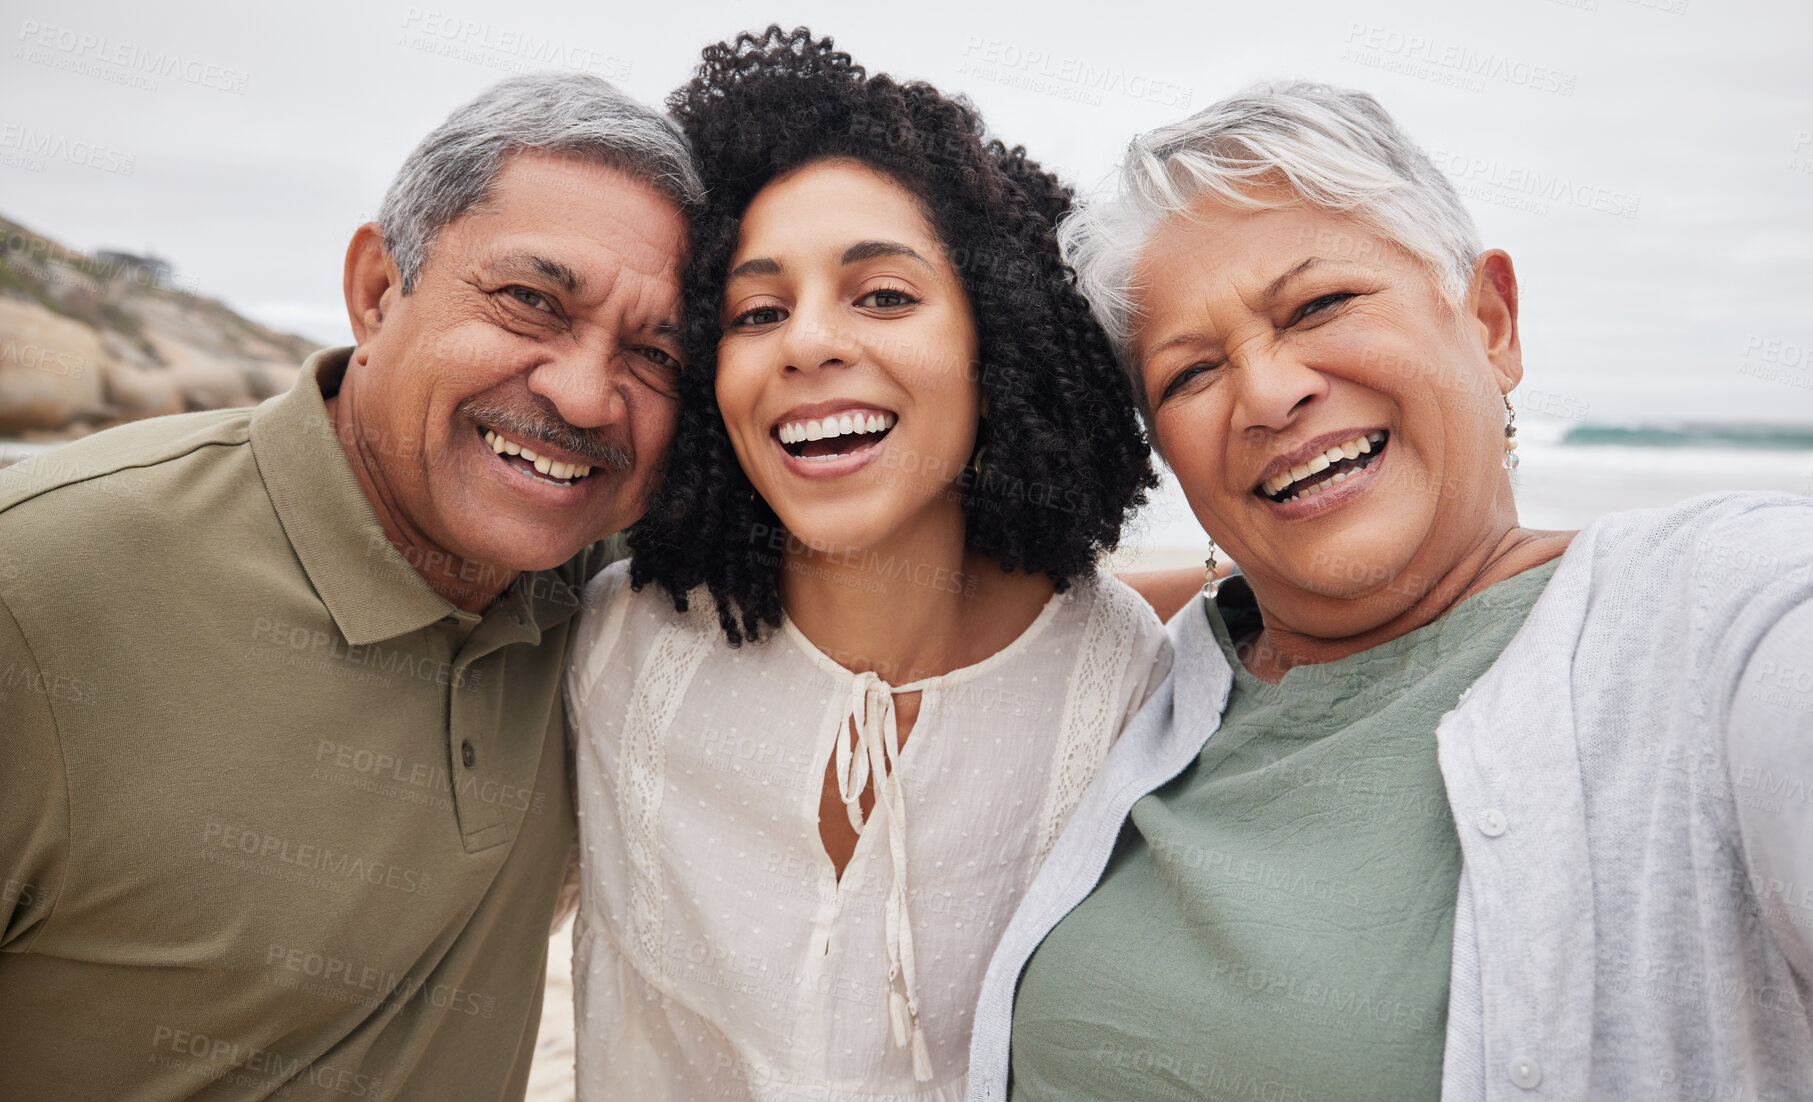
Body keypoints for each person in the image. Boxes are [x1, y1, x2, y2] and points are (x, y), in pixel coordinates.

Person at [967, 82, 1813, 1101]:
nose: (1269, 394)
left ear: (1491, 322)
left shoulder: (1717, 617)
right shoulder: (1146, 681)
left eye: (1319, 305)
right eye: (1190, 374)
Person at [0, 72, 700, 1099]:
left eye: (655, 352)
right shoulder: (42, 586)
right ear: (377, 289)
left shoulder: (599, 602)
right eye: (530, 301)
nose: (586, 393)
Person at [564, 27, 1170, 1100]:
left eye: (883, 295)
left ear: (999, 344)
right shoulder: (611, 642)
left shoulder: (1129, 690)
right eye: (756, 312)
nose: (805, 343)